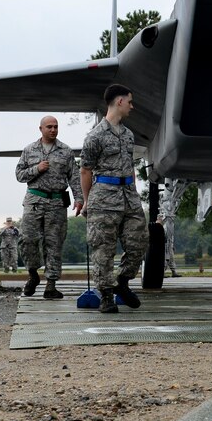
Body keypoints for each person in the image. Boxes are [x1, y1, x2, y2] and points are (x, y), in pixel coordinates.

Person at [80, 84, 148, 314]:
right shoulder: (95, 136)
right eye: (129, 101)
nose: (132, 106)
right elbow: (85, 170)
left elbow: (130, 167)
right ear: (119, 102)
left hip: (129, 196)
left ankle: (123, 281)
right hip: (104, 198)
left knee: (139, 241)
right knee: (103, 249)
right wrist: (87, 201)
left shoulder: (128, 135)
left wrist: (135, 191)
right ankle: (106, 296)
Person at [15, 115, 83, 298]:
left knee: (54, 243)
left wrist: (79, 198)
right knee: (27, 238)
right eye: (49, 127)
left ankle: (51, 285)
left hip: (57, 202)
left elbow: (74, 177)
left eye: (56, 127)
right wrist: (36, 169)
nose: (53, 130)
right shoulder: (29, 150)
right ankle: (32, 275)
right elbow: (19, 175)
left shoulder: (66, 151)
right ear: (41, 129)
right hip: (34, 200)